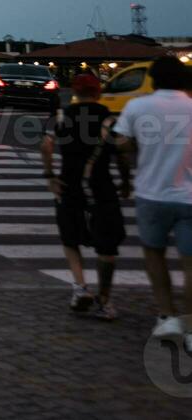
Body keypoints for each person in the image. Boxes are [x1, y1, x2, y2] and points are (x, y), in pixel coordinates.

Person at [114, 56, 192, 350]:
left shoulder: (138, 106)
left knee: (154, 254)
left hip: (152, 193)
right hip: (189, 196)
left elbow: (120, 143)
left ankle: (166, 315)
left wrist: (135, 155)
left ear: (153, 79)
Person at [40, 73, 130, 319]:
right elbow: (123, 152)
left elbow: (46, 145)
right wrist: (125, 181)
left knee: (70, 238)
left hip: (69, 183)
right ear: (98, 92)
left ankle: (80, 288)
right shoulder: (110, 120)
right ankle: (105, 300)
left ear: (74, 93)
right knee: (107, 244)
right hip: (101, 185)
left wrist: (49, 175)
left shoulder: (61, 115)